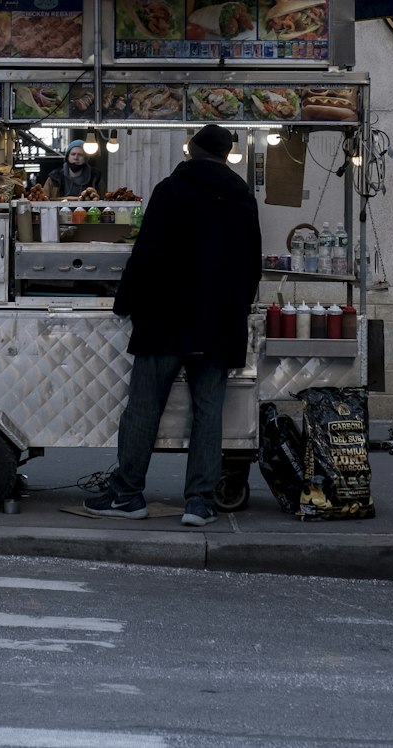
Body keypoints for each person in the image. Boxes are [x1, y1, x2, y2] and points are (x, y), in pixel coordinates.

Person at [83, 122, 261, 528]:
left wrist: (124, 302)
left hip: (167, 319)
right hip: (218, 322)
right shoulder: (243, 198)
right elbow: (251, 264)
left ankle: (128, 494)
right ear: (223, 156)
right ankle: (199, 502)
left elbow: (146, 254)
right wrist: (238, 307)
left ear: (193, 151)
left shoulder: (172, 189)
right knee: (208, 412)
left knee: (144, 409)